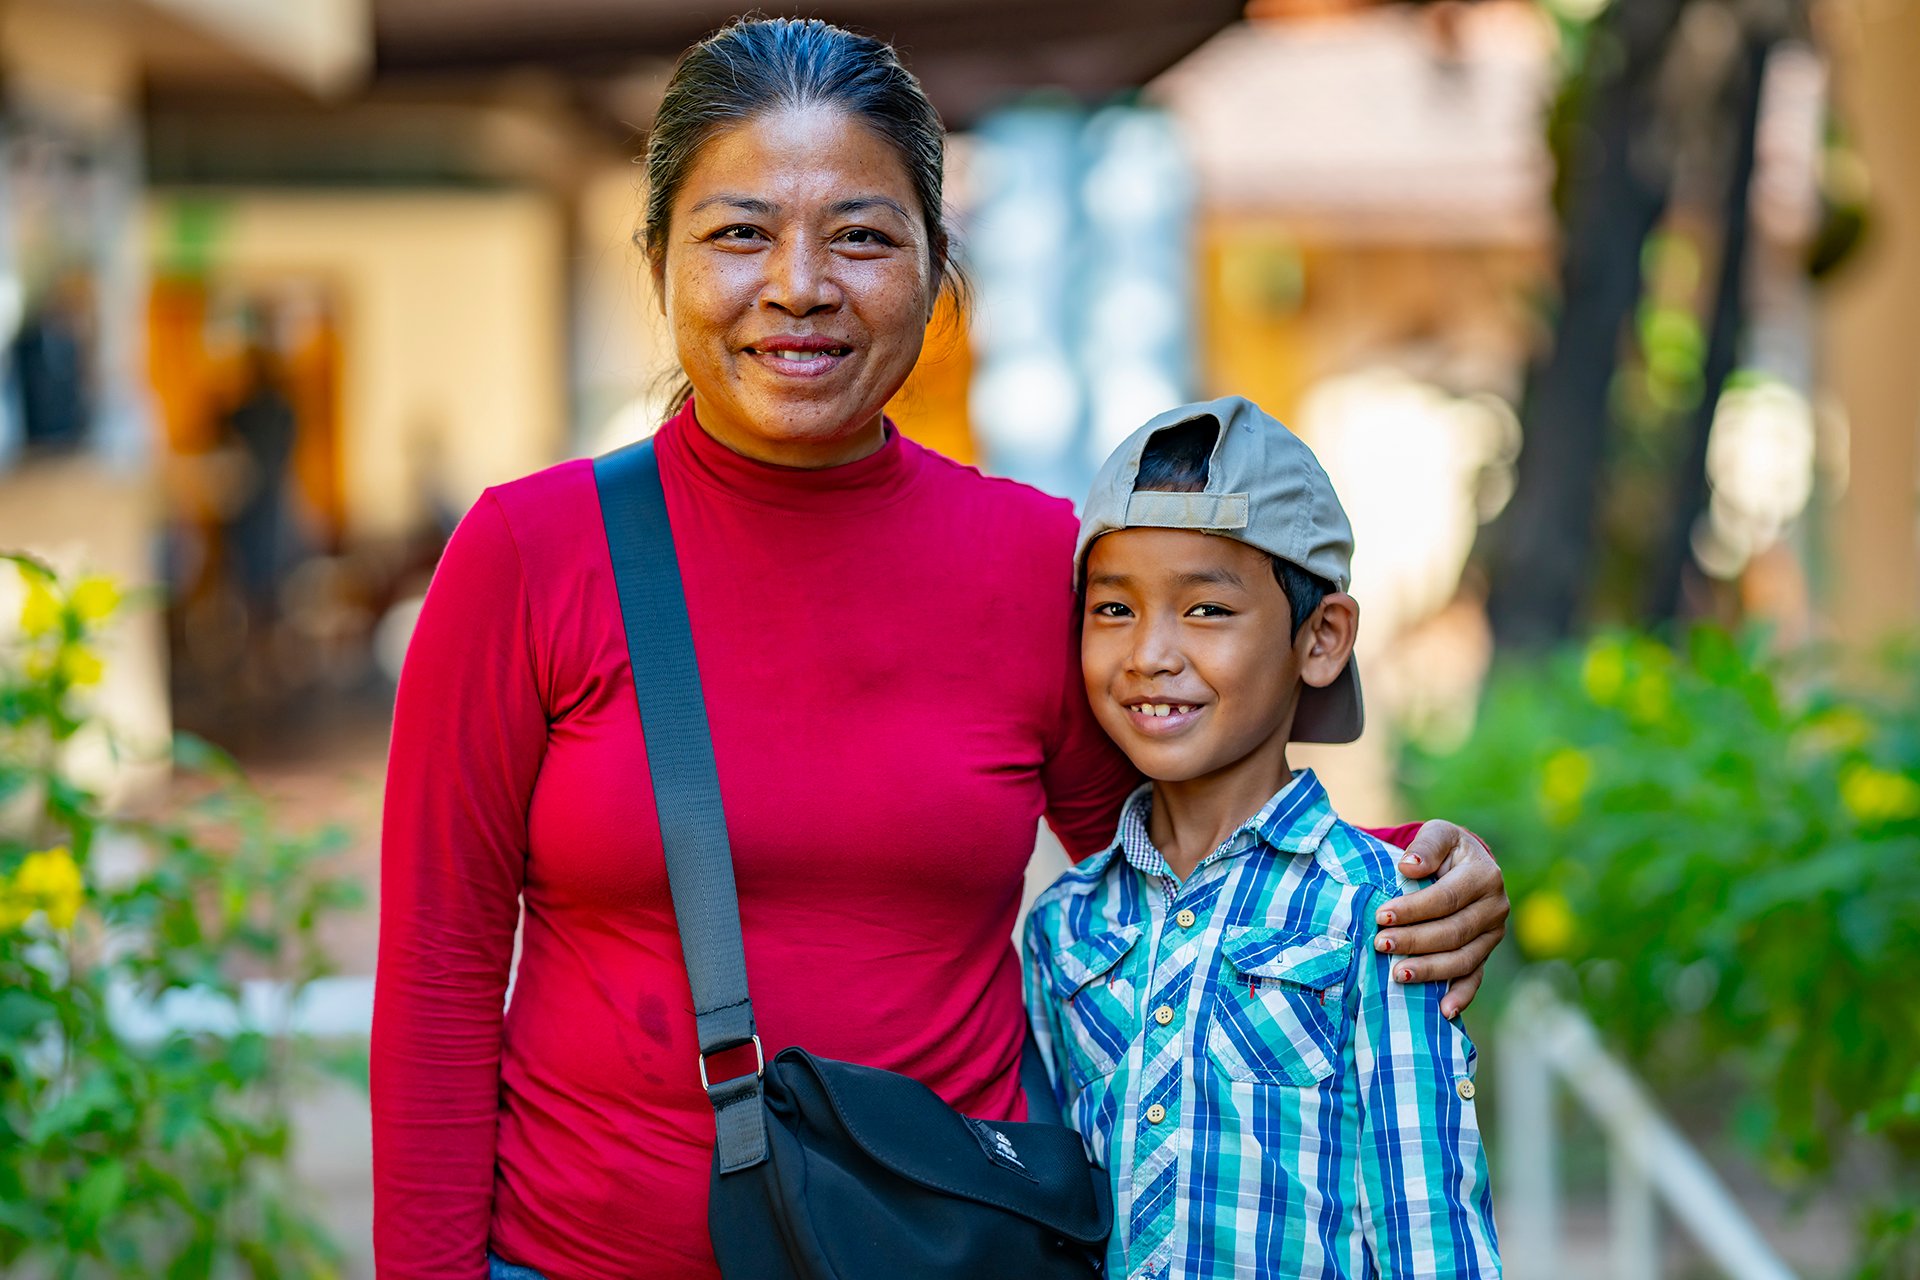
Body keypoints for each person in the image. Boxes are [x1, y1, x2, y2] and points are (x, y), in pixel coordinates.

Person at [371, 19, 1509, 1280]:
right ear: (659, 262)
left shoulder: (1033, 564)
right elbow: (438, 971)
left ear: (934, 266)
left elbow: (1178, 863)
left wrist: (1407, 870)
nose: (799, 283)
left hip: (940, 1248)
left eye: (860, 235)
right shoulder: (531, 551)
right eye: (739, 232)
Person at [1024, 398, 1500, 1280]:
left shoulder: (1385, 913)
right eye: (1113, 610)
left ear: (1321, 640)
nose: (1150, 654)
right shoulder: (1064, 927)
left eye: (1205, 610)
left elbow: (1428, 1227)